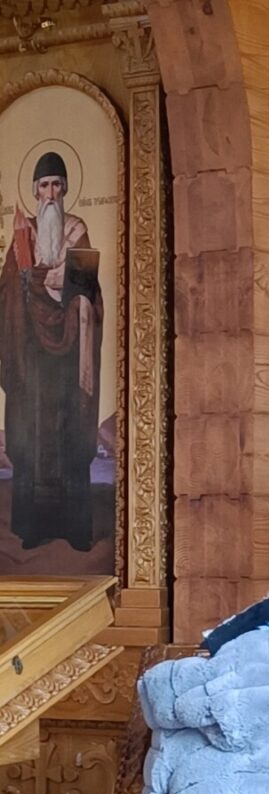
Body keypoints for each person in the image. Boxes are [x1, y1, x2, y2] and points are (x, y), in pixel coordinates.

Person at [0, 151, 103, 551]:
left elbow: (89, 293)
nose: (50, 193)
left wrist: (72, 301)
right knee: (31, 435)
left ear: (65, 189)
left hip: (68, 360)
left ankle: (74, 529)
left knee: (68, 436)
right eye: (43, 185)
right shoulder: (22, 237)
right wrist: (22, 286)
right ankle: (33, 528)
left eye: (57, 184)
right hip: (30, 359)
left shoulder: (77, 231)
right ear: (35, 191)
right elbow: (6, 293)